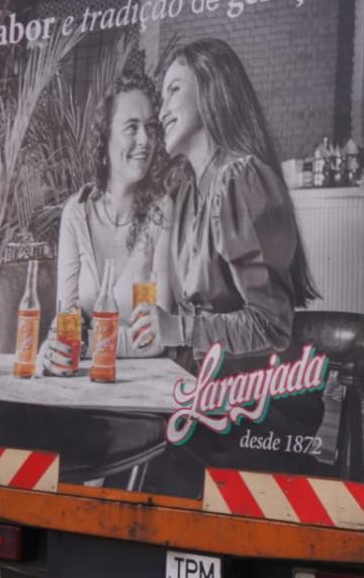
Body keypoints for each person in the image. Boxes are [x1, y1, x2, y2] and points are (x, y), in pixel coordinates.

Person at [131, 37, 318, 360]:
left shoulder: (241, 180)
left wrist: (180, 328)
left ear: (210, 89)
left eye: (174, 90)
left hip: (247, 387)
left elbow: (271, 328)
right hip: (198, 380)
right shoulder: (186, 193)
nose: (161, 113)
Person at [39, 68, 170, 374]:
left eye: (150, 127)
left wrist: (85, 344)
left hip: (143, 386)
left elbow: (158, 337)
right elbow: (67, 317)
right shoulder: (76, 212)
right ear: (106, 136)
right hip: (85, 381)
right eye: (132, 127)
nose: (145, 140)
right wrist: (53, 348)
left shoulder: (162, 213)